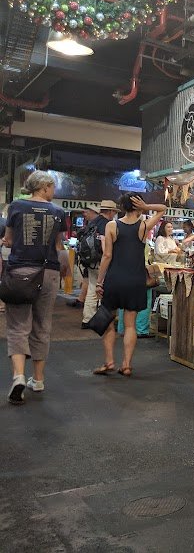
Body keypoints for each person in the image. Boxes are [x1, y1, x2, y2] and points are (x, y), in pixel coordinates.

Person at [5, 171, 70, 404]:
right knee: (42, 325)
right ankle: (39, 379)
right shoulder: (58, 212)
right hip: (48, 272)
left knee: (18, 325)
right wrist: (65, 268)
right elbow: (59, 246)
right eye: (52, 187)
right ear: (44, 187)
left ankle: (19, 376)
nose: (54, 191)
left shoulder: (16, 206)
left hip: (20, 271)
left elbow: (9, 240)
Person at [92, 194, 166, 377]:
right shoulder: (143, 226)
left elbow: (107, 256)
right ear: (138, 206)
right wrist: (146, 207)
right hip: (136, 280)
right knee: (130, 325)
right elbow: (163, 209)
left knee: (108, 322)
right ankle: (126, 365)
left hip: (115, 279)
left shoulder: (112, 226)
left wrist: (99, 282)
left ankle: (109, 362)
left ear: (122, 207)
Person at [81, 200, 117, 329]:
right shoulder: (107, 224)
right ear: (111, 211)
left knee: (92, 288)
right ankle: (102, 321)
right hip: (101, 261)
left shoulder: (93, 222)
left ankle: (87, 319)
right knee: (103, 290)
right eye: (114, 212)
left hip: (90, 261)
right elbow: (104, 243)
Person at [68, 205, 98, 310]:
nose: (84, 214)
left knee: (90, 280)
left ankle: (83, 302)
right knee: (87, 278)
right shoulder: (90, 225)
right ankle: (81, 300)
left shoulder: (96, 224)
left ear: (93, 212)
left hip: (94, 258)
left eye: (86, 212)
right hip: (89, 258)